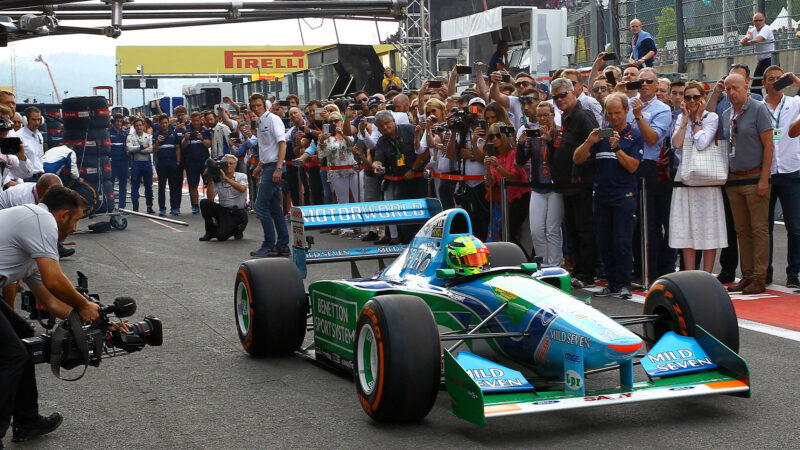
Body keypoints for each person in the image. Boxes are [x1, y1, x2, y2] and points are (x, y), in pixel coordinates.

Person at [0, 186, 111, 447]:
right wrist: (84, 304)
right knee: (13, 354)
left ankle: (27, 422)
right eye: (76, 220)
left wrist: (100, 320)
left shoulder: (35, 237)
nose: (75, 228)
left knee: (25, 339)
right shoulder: (41, 220)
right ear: (62, 216)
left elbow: (51, 300)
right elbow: (55, 279)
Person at [574, 92, 644, 299]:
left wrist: (617, 148)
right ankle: (611, 282)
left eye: (617, 113)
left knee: (622, 242)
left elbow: (633, 167)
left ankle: (624, 284)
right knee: (604, 242)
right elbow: (577, 159)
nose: (613, 117)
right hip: (601, 195)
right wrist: (589, 141)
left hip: (624, 195)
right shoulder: (601, 134)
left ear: (626, 111)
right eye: (609, 113)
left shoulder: (634, 134)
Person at [721, 73, 774, 295]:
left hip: (755, 178)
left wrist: (764, 178)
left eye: (735, 88)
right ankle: (748, 274)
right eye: (728, 89)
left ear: (746, 87)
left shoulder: (759, 109)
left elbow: (769, 145)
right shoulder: (726, 114)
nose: (732, 92)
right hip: (733, 179)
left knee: (759, 229)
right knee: (741, 230)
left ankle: (760, 277)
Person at [669, 81, 727, 273]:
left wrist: (698, 120)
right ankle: (690, 273)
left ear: (703, 98)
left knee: (709, 226)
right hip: (685, 176)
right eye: (688, 97)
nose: (692, 101)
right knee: (686, 228)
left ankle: (708, 274)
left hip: (707, 177)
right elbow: (676, 145)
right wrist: (686, 121)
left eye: (695, 97)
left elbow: (702, 143)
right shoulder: (680, 118)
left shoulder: (712, 117)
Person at [551, 77, 599, 288]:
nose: (560, 99)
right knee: (573, 228)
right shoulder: (567, 118)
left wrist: (580, 170)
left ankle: (587, 273)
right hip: (567, 185)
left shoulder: (583, 115)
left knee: (584, 229)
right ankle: (580, 270)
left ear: (572, 93)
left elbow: (595, 146)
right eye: (556, 97)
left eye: (563, 94)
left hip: (581, 183)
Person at [629, 67, 673, 283]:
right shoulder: (627, 104)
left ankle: (651, 269)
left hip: (647, 165)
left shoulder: (662, 109)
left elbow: (652, 138)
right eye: (640, 82)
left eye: (648, 82)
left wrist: (638, 117)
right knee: (632, 221)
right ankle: (636, 267)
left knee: (649, 222)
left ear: (657, 85)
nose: (644, 85)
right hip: (626, 164)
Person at [763, 67, 800, 288]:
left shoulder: (794, 103)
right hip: (766, 173)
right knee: (764, 226)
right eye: (771, 80)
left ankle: (793, 272)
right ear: (765, 83)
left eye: (779, 79)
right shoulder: (759, 106)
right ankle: (765, 272)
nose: (775, 82)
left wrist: (795, 80)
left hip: (792, 170)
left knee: (795, 226)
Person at [370, 110, 429, 243]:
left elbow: (425, 151)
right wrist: (376, 166)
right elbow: (378, 159)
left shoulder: (410, 130)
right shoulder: (382, 141)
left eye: (387, 123)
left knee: (421, 211)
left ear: (393, 121)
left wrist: (413, 169)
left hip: (419, 178)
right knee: (402, 212)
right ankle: (405, 243)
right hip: (400, 181)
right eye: (381, 126)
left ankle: (423, 242)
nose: (385, 127)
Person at [517, 101, 564, 266]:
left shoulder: (559, 133)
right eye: (540, 115)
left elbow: (558, 160)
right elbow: (521, 161)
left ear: (553, 115)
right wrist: (521, 143)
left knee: (552, 229)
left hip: (555, 188)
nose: (543, 118)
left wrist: (550, 140)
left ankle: (555, 264)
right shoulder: (533, 136)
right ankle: (543, 264)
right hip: (537, 187)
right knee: (536, 230)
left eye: (546, 115)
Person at [249, 93, 290, 258]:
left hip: (274, 167)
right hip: (267, 166)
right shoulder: (259, 121)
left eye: (258, 105)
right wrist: (259, 165)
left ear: (264, 105)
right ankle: (283, 245)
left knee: (260, 206)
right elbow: (265, 146)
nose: (256, 108)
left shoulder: (273, 119)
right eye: (253, 106)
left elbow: (282, 144)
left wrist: (278, 168)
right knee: (275, 208)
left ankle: (269, 245)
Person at [483, 122, 530, 247]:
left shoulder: (513, 153)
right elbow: (491, 182)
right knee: (506, 231)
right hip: (508, 199)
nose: (495, 139)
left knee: (508, 230)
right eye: (491, 136)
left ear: (503, 136)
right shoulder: (494, 155)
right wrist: (488, 168)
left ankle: (522, 258)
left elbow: (514, 177)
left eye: (498, 135)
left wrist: (497, 166)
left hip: (522, 196)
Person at [317, 112, 359, 237]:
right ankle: (345, 228)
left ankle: (360, 226)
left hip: (351, 169)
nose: (334, 123)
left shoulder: (348, 136)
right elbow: (321, 155)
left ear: (342, 121)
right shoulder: (327, 138)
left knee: (357, 198)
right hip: (336, 171)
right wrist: (322, 141)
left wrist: (343, 134)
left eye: (336, 120)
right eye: (331, 121)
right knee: (342, 200)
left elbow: (352, 145)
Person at [199, 154, 248, 241]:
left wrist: (226, 179)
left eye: (231, 163)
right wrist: (210, 178)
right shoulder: (217, 178)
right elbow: (210, 198)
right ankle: (210, 231)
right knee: (204, 202)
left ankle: (237, 229)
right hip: (223, 210)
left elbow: (242, 189)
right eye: (225, 163)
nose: (228, 166)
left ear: (235, 166)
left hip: (237, 213)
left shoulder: (241, 176)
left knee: (221, 236)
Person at [181, 112, 212, 215]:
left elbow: (208, 145)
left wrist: (201, 138)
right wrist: (186, 138)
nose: (195, 123)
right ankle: (195, 206)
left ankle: (209, 204)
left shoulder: (205, 131)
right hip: (191, 162)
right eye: (193, 120)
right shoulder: (187, 131)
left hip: (204, 162)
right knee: (193, 185)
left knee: (209, 184)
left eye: (197, 120)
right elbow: (183, 146)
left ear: (201, 120)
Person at [153, 114, 182, 216]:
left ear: (168, 123)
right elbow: (154, 150)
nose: (164, 125)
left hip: (173, 163)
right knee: (161, 187)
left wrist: (178, 162)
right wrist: (157, 142)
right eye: (162, 123)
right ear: (159, 124)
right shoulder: (156, 135)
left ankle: (174, 207)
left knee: (173, 186)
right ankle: (162, 208)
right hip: (162, 163)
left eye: (166, 123)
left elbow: (178, 148)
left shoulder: (173, 134)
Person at [125, 118, 154, 214]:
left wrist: (138, 149)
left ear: (143, 126)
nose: (139, 127)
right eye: (136, 125)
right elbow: (129, 148)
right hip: (136, 163)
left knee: (149, 186)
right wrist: (141, 147)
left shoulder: (148, 136)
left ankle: (149, 206)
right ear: (134, 127)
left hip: (146, 163)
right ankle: (135, 207)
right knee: (135, 186)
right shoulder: (130, 137)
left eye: (140, 125)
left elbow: (151, 149)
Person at [741, 12, 774, 96]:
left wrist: (748, 42)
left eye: (760, 20)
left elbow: (758, 39)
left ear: (764, 20)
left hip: (770, 60)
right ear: (753, 22)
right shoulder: (752, 30)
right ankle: (760, 106)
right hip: (761, 61)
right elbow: (742, 41)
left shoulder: (766, 28)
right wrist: (746, 40)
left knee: (770, 86)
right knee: (755, 87)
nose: (758, 22)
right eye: (756, 21)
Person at [0, 118, 32, 185]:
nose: (4, 134)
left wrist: (22, 158)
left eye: (6, 131)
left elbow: (26, 174)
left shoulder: (6, 154)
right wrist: (7, 182)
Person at [108, 114, 130, 209]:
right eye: (117, 121)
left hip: (123, 162)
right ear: (113, 122)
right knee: (110, 184)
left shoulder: (125, 133)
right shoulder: (108, 132)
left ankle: (122, 206)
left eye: (120, 121)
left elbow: (128, 147)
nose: (119, 123)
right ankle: (110, 205)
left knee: (123, 184)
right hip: (112, 162)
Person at [18, 106, 44, 181]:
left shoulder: (39, 135)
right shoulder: (18, 136)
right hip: (26, 178)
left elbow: (40, 156)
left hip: (40, 176)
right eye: (34, 120)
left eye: (38, 119)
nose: (37, 123)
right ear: (26, 120)